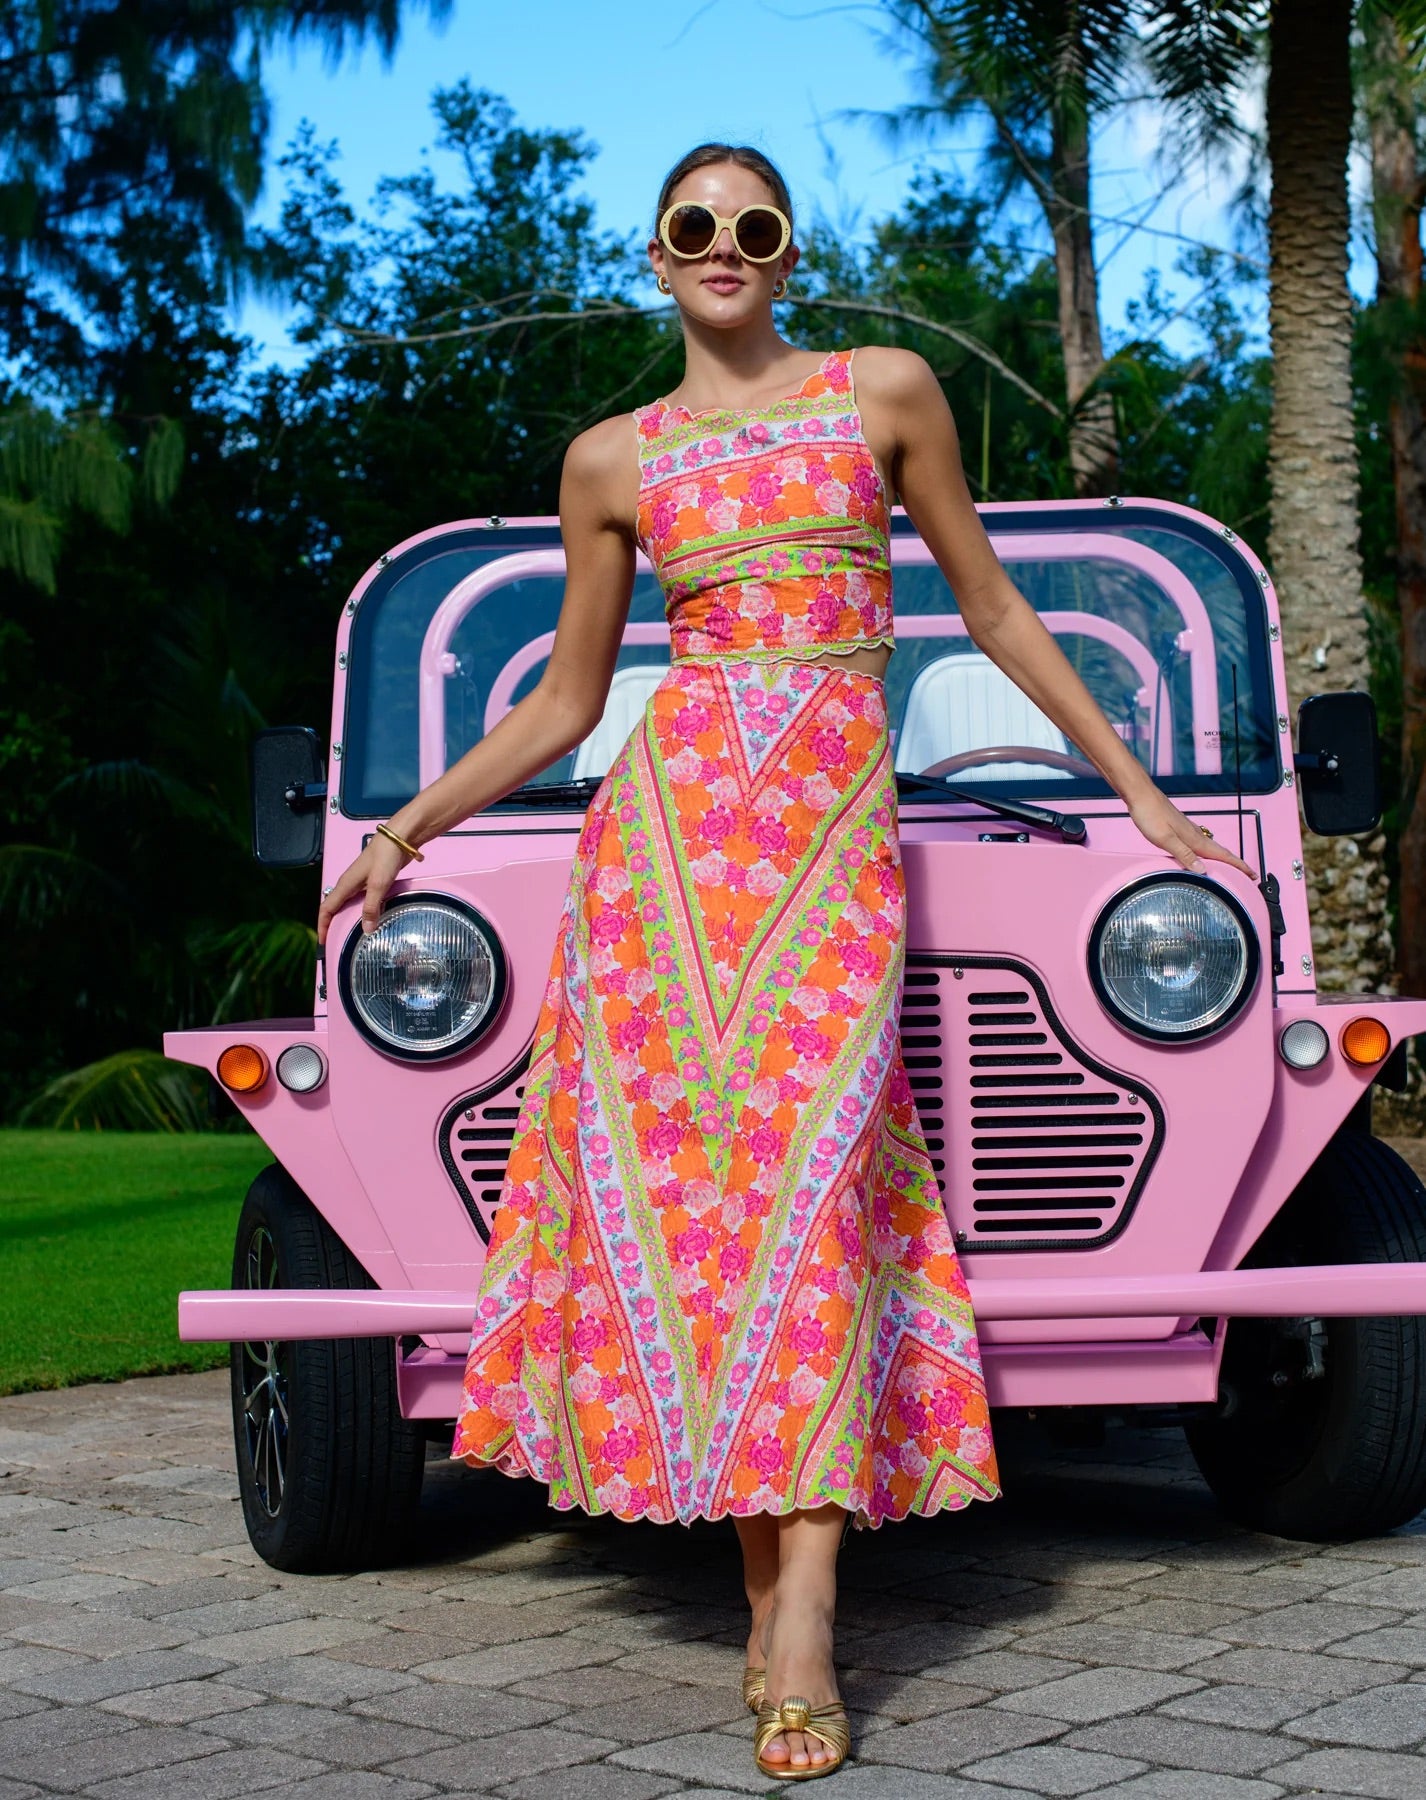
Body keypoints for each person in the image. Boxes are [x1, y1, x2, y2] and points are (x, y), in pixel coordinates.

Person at [316, 142, 1254, 1782]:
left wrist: (1140, 794)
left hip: (827, 860)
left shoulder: (879, 390)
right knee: (712, 1227)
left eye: (752, 225)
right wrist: (406, 828)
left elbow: (997, 613)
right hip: (662, 865)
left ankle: (804, 1607)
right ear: (656, 253)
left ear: (787, 251)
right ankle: (780, 1603)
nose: (724, 246)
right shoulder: (612, 457)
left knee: (815, 1199)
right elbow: (563, 701)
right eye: (695, 225)